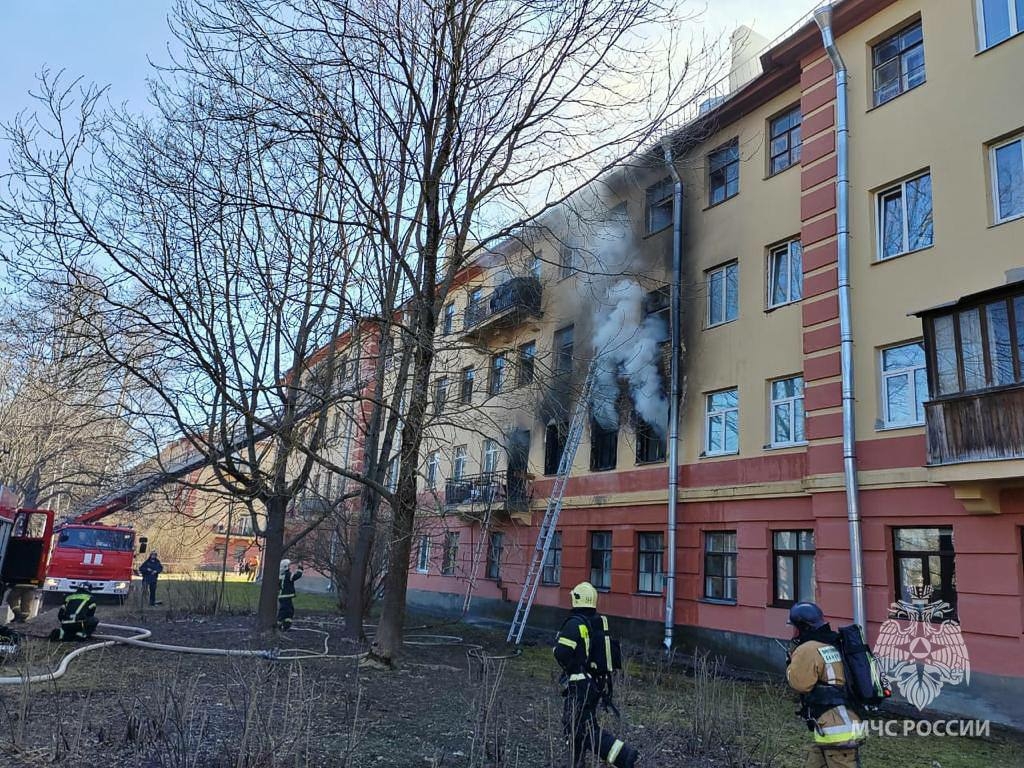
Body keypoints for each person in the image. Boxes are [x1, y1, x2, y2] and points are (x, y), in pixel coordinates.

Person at [553, 581, 639, 768]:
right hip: (595, 684)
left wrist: (561, 658)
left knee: (580, 727)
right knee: (578, 726)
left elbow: (561, 653)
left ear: (577, 600)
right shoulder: (596, 621)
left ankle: (624, 756)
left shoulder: (575, 623)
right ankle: (576, 763)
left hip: (579, 686)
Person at [786, 602, 865, 768]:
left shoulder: (808, 649)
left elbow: (800, 684)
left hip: (836, 730)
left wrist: (790, 664)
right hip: (841, 722)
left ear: (802, 627)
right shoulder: (833, 643)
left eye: (794, 627)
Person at [277, 559, 303, 630]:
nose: (290, 567)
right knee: (286, 611)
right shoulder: (287, 575)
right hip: (286, 596)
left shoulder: (280, 575)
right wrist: (300, 568)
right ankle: (279, 624)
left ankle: (285, 625)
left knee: (288, 611)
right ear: (286, 567)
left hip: (282, 597)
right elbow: (296, 576)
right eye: (289, 566)